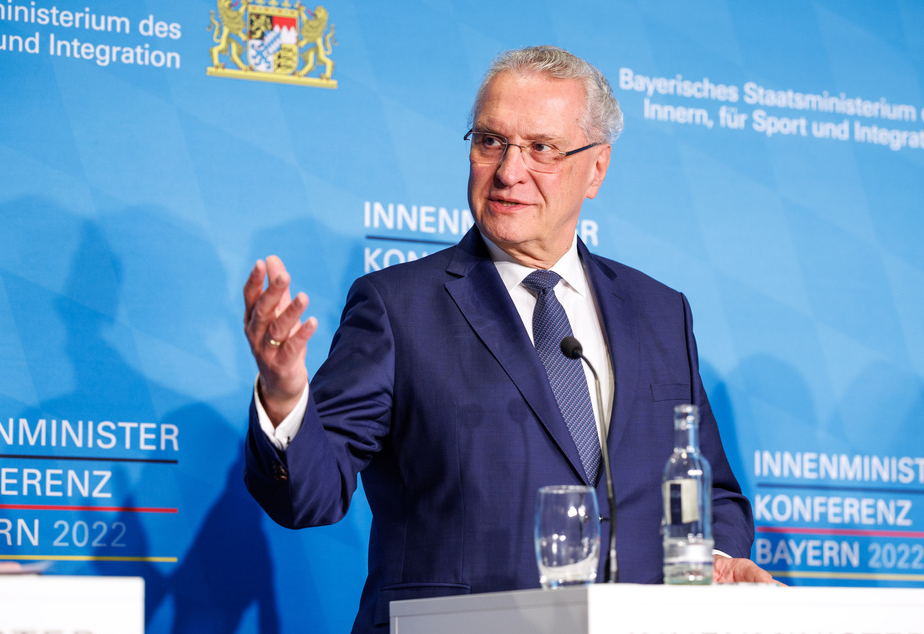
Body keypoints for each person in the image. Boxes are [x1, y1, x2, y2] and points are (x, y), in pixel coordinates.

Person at [243, 45, 774, 633]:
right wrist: (285, 397)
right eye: (490, 141)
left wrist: (715, 564)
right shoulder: (397, 307)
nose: (508, 171)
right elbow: (308, 495)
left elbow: (713, 493)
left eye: (540, 148)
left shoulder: (658, 311)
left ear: (596, 168)